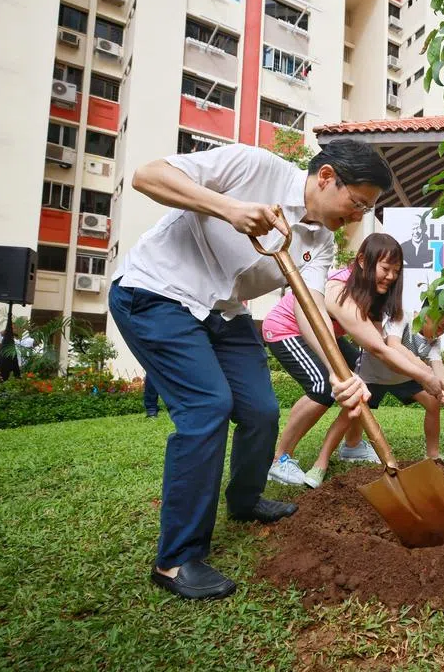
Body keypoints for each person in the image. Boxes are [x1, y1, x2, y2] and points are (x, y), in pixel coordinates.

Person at [108, 140, 391, 601]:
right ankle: (175, 560)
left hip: (223, 311)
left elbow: (311, 310)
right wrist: (229, 209)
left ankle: (244, 500)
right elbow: (146, 174)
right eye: (357, 202)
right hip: (156, 293)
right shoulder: (254, 166)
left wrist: (339, 373)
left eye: (366, 209)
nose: (358, 216)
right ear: (325, 178)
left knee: (260, 409)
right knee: (207, 407)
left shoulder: (318, 241)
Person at [265, 233, 444, 487]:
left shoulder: (370, 294)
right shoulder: (341, 290)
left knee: (362, 381)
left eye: (396, 271)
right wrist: (424, 376)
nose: (391, 276)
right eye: (385, 268)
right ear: (362, 260)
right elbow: (378, 348)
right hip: (287, 329)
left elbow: (380, 346)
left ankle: (351, 445)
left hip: (325, 334)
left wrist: (430, 373)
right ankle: (279, 459)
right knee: (323, 387)